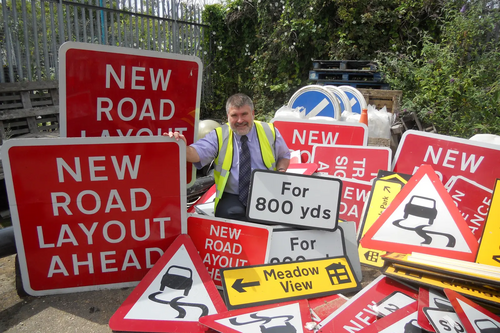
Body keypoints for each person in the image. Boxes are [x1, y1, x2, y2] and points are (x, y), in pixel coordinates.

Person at [166, 93, 290, 221]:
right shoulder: (219, 135)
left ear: (252, 113)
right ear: (228, 116)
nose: (240, 120)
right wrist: (180, 146)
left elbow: (284, 156)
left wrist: (280, 172)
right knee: (228, 218)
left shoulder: (269, 131)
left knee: (272, 224)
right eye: (234, 115)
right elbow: (196, 154)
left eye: (244, 114)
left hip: (266, 193)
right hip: (233, 195)